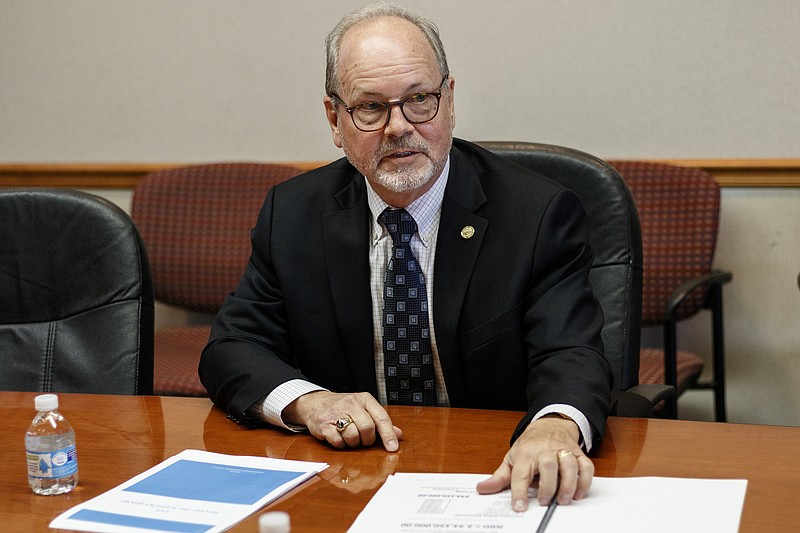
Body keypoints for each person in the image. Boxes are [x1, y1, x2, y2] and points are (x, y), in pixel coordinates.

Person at [199, 2, 612, 512]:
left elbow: (571, 350)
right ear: (335, 118)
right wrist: (311, 402)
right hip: (351, 479)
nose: (399, 127)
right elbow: (233, 348)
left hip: (494, 475)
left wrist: (554, 425)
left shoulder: (537, 213)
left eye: (419, 99)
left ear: (450, 100)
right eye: (371, 107)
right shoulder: (294, 213)